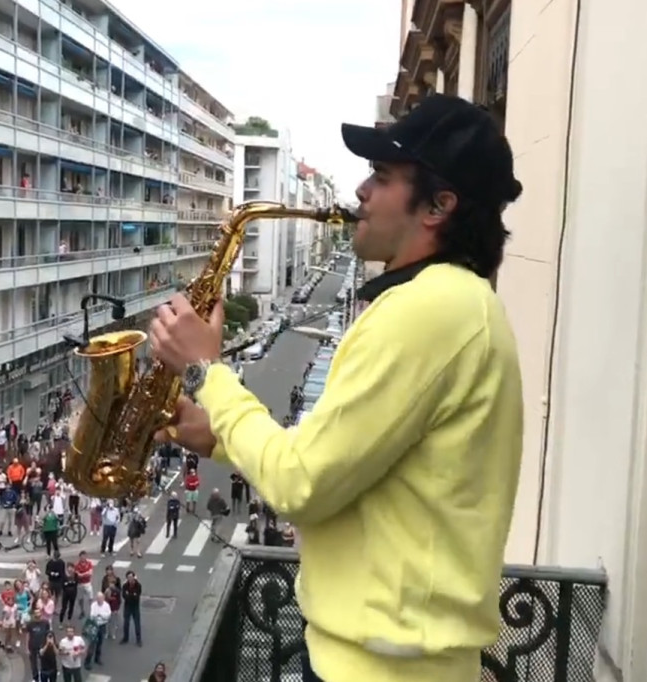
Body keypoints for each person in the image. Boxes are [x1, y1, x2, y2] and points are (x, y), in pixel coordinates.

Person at [148, 94, 524, 682]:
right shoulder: (451, 304)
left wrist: (205, 370)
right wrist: (220, 436)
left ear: (438, 205)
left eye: (381, 175)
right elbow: (346, 463)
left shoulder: (428, 311)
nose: (360, 192)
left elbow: (302, 484)